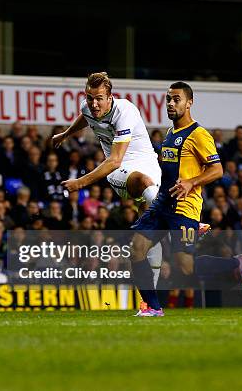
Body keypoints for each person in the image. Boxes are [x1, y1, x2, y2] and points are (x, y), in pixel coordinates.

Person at [130, 82, 242, 317]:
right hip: (162, 203)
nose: (171, 104)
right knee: (136, 249)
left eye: (176, 99)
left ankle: (236, 264)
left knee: (185, 267)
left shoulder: (199, 134)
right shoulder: (170, 133)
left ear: (189, 103)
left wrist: (191, 182)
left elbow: (217, 170)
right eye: (168, 99)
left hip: (184, 206)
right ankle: (154, 307)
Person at [52, 72, 164, 288]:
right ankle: (181, 222)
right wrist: (65, 134)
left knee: (148, 230)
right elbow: (112, 160)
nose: (93, 103)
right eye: (89, 97)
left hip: (147, 163)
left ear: (110, 97)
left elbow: (114, 158)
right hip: (119, 170)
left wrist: (80, 183)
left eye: (99, 98)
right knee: (143, 183)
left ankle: (152, 299)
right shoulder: (88, 106)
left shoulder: (125, 112)